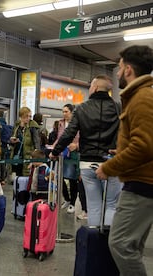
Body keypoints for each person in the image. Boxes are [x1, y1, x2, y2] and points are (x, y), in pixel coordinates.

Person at [95, 45, 153, 276]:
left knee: (119, 244)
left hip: (141, 184)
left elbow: (144, 145)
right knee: (132, 246)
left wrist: (109, 167)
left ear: (128, 69)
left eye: (118, 69)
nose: (117, 74)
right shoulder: (141, 96)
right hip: (144, 182)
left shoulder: (141, 97)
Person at [49, 75, 122, 227]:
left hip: (88, 163)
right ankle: (107, 243)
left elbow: (68, 134)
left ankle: (95, 240)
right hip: (112, 161)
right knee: (111, 204)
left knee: (94, 205)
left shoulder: (81, 108)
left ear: (95, 87)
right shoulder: (118, 108)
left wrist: (55, 152)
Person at [52, 104, 80, 215]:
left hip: (73, 154)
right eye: (63, 111)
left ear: (72, 112)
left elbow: (83, 138)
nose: (64, 114)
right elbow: (60, 138)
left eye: (66, 111)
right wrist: (54, 147)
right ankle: (67, 199)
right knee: (60, 177)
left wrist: (77, 145)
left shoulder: (78, 123)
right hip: (62, 152)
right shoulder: (61, 123)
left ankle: (73, 202)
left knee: (73, 179)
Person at [10, 106, 41, 176]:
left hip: (28, 156)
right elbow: (11, 139)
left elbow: (37, 143)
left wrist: (35, 159)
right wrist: (12, 141)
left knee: (26, 178)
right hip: (16, 155)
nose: (28, 118)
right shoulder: (16, 126)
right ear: (21, 116)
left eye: (30, 116)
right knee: (16, 177)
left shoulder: (33, 127)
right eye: (26, 116)